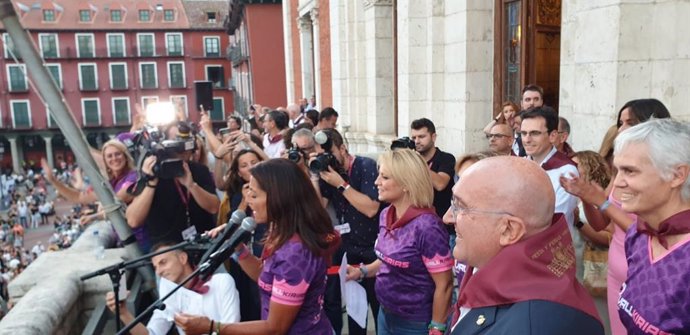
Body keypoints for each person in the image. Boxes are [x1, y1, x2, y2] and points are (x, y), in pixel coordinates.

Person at [174, 159, 340, 334]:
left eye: (254, 195)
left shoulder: (295, 254)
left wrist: (212, 327)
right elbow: (266, 276)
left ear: (278, 197)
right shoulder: (280, 230)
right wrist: (237, 246)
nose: (248, 201)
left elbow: (275, 328)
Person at [447, 156, 604, 334]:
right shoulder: (495, 273)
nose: (447, 217)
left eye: (461, 207)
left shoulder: (532, 326)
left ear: (509, 230)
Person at [559, 98, 671, 335]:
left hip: (643, 271)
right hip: (615, 269)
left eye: (629, 122)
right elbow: (602, 223)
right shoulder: (618, 172)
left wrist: (601, 201)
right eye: (620, 122)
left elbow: (650, 231)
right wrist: (587, 197)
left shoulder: (663, 175)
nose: (620, 129)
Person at [347, 149, 453, 335]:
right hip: (385, 314)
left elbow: (444, 285)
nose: (376, 182)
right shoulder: (386, 214)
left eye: (385, 177)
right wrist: (363, 271)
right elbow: (391, 260)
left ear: (406, 183)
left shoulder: (427, 227)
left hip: (415, 323)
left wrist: (437, 328)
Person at [612, 119, 690, 333]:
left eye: (629, 171)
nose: (617, 182)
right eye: (617, 170)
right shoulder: (638, 235)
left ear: (677, 175)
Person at [310, 128, 381, 335]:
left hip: (373, 250)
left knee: (378, 310)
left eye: (330, 153)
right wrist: (315, 177)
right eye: (322, 155)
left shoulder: (365, 166)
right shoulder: (328, 173)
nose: (327, 159)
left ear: (343, 148)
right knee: (355, 315)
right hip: (348, 251)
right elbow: (318, 208)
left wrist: (341, 184)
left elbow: (371, 208)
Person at [106, 241, 241, 335]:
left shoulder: (222, 282)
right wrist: (123, 312)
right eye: (155, 267)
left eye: (163, 263)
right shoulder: (169, 293)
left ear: (182, 258)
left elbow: (233, 329)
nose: (159, 271)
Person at [126, 123, 219, 252]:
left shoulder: (199, 170)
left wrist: (192, 185)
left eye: (186, 141)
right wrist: (151, 183)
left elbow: (214, 207)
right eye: (175, 141)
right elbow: (133, 220)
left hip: (203, 246)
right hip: (168, 253)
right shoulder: (153, 173)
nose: (181, 147)